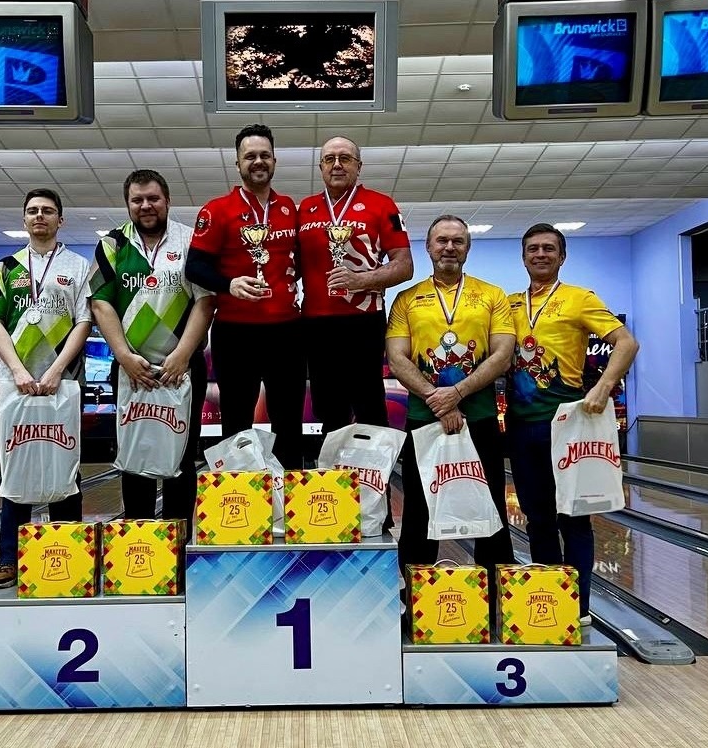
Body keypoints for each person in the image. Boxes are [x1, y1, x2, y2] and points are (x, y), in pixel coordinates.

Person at [506, 223, 639, 625]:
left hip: (567, 426)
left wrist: (603, 386)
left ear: (562, 257)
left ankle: (578, 608)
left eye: (549, 248)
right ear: (523, 257)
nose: (540, 254)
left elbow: (626, 342)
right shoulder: (508, 305)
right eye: (533, 249)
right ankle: (550, 599)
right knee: (538, 519)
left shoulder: (580, 298)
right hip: (521, 426)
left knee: (574, 517)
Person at [386, 215, 516, 588]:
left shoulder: (492, 295)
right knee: (418, 512)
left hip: (480, 417)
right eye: (442, 240)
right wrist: (437, 398)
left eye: (458, 241)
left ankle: (496, 600)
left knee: (490, 510)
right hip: (423, 418)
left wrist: (456, 393)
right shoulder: (407, 299)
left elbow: (502, 354)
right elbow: (397, 357)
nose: (449, 247)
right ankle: (414, 598)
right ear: (428, 247)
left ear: (467, 248)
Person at [89, 169, 214, 540]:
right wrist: (124, 356)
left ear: (167, 201)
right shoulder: (111, 244)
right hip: (131, 369)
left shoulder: (190, 240)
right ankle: (138, 542)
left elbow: (205, 301)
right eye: (137, 200)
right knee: (134, 456)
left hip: (183, 367)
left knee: (182, 458)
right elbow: (100, 303)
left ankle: (178, 544)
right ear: (128, 204)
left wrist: (182, 354)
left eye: (153, 198)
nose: (145, 206)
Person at [0, 188, 91, 588]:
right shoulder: (6, 266)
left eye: (47, 211)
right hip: (16, 383)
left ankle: (69, 551)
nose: (39, 216)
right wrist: (18, 370)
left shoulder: (78, 266)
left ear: (61, 219)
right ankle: (10, 559)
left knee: (66, 466)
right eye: (32, 211)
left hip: (63, 382)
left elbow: (83, 321)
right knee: (16, 468)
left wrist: (58, 370)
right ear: (24, 219)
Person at [185, 124, 305, 468]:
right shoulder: (217, 209)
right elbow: (195, 267)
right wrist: (229, 284)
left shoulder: (289, 208)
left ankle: (287, 496)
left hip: (286, 331)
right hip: (235, 333)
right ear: (237, 163)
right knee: (236, 421)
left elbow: (300, 260)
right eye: (250, 156)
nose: (258, 161)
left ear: (275, 161)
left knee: (289, 421)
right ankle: (238, 497)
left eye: (265, 155)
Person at [297, 135, 413, 438]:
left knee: (369, 404)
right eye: (329, 159)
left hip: (364, 320)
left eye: (345, 158)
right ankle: (333, 468)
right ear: (321, 167)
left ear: (358, 166)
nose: (337, 164)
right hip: (316, 323)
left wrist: (360, 280)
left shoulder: (382, 205)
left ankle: (376, 468)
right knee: (328, 408)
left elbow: (404, 265)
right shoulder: (305, 208)